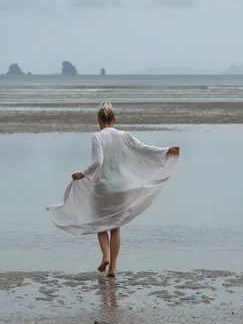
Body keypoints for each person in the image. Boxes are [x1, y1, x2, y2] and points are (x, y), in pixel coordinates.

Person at [46, 101, 180, 277]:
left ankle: (105, 256)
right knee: (115, 227)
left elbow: (98, 162)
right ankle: (113, 268)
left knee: (101, 223)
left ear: (98, 121)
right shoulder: (124, 135)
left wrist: (83, 174)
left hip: (104, 186)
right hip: (122, 187)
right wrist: (166, 151)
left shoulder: (97, 137)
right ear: (114, 119)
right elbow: (143, 149)